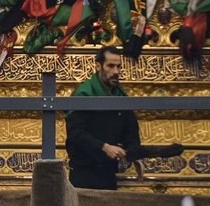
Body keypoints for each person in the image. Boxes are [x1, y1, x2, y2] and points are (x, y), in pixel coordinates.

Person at [66, 46, 183, 189]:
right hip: (84, 173)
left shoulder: (120, 95)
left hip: (107, 172)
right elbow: (75, 133)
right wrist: (104, 147)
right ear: (98, 66)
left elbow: (130, 130)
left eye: (119, 67)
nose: (116, 72)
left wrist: (134, 154)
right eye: (110, 66)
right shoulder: (84, 93)